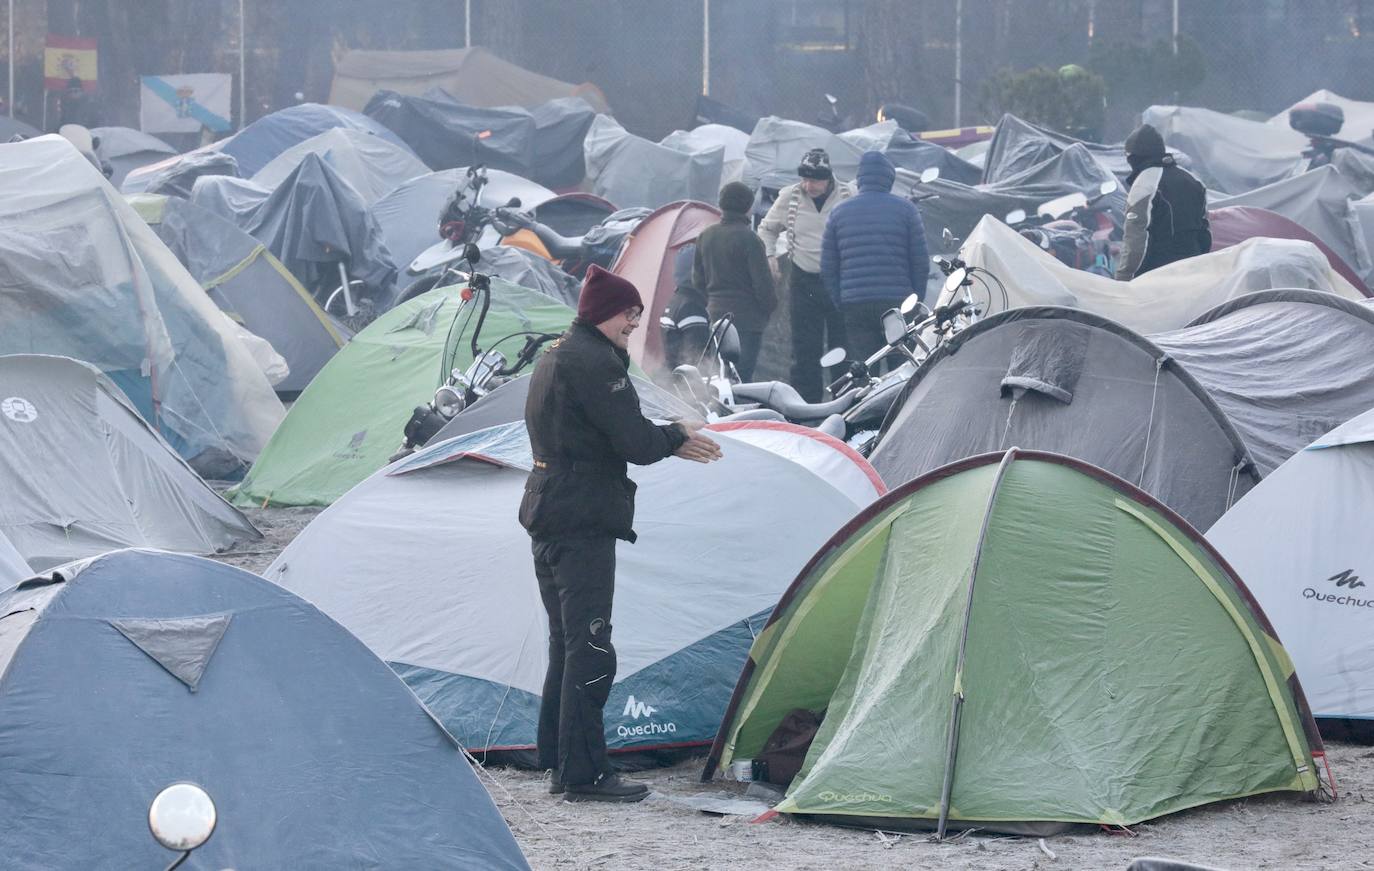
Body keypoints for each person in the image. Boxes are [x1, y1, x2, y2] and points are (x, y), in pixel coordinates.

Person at [520, 264, 722, 803]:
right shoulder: (593, 361)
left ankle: (557, 758)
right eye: (630, 320)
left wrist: (668, 439)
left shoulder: (555, 355)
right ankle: (585, 775)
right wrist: (678, 433)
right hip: (582, 518)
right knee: (590, 647)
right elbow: (633, 440)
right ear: (608, 314)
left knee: (565, 644)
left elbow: (594, 433)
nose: (634, 329)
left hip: (548, 509)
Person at [757, 149, 854, 401]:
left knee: (842, 348)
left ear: (828, 178)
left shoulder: (847, 196)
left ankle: (844, 402)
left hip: (839, 281)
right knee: (804, 350)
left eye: (814, 180)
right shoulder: (789, 197)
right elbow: (766, 229)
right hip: (803, 280)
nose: (808, 185)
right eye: (804, 179)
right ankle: (805, 407)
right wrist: (769, 255)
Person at [821, 150, 930, 363]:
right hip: (897, 303)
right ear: (889, 179)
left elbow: (828, 267)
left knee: (864, 369)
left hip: (856, 305)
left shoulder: (838, 213)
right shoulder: (907, 210)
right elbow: (920, 262)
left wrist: (842, 301)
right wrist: (915, 300)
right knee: (902, 367)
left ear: (860, 180)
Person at [693, 181, 775, 380]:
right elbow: (763, 286)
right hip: (748, 320)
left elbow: (698, 280)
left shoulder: (706, 236)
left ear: (722, 204)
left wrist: (712, 303)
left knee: (719, 376)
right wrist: (767, 309)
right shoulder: (751, 240)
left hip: (717, 316)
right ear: (748, 206)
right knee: (741, 378)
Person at [1116, 123, 1211, 281]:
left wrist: (1123, 276)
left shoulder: (1144, 183)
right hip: (1193, 273)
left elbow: (1136, 239)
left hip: (1157, 277)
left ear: (1134, 157)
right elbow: (1205, 231)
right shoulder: (1193, 180)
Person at [660, 243, 710, 370]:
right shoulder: (692, 308)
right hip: (685, 384)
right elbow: (696, 358)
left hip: (670, 376)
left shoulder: (675, 301)